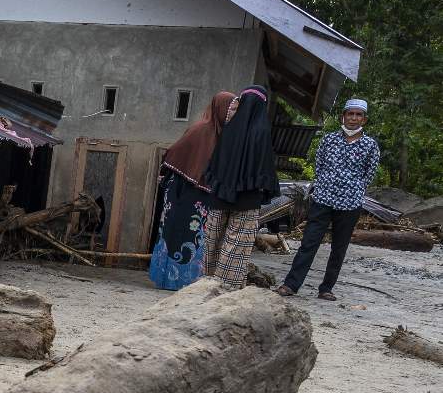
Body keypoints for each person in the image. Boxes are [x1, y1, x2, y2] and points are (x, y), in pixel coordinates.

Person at [276, 99, 381, 301]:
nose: (353, 118)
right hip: (323, 199)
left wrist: (354, 187)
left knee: (339, 247)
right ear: (343, 116)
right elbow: (320, 165)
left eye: (358, 115)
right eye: (350, 114)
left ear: (364, 119)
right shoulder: (329, 140)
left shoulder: (370, 145)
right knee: (309, 243)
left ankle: (326, 288)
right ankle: (291, 284)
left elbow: (369, 174)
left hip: (350, 204)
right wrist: (326, 183)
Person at [148, 90, 236, 290]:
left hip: (201, 197)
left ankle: (187, 282)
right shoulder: (199, 130)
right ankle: (168, 280)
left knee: (194, 238)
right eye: (231, 109)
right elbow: (174, 155)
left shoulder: (224, 134)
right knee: (174, 234)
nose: (232, 114)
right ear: (220, 108)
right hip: (181, 193)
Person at [201, 85, 281, 288]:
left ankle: (207, 283)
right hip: (247, 199)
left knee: (213, 240)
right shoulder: (262, 131)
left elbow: (214, 164)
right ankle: (227, 287)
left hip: (220, 195)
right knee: (236, 245)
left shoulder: (228, 128)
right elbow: (265, 170)